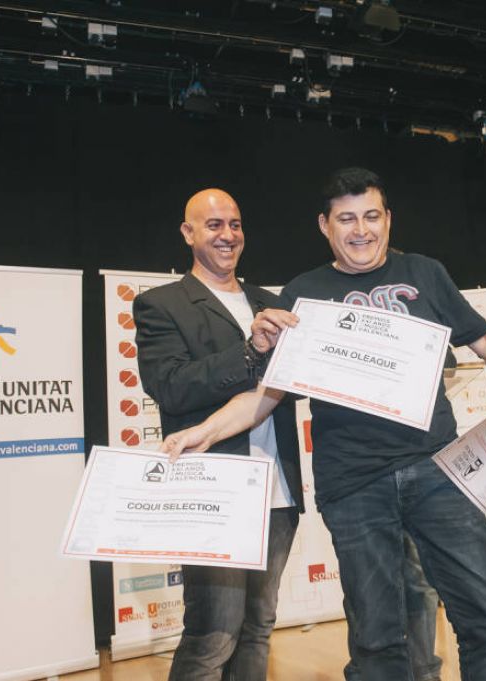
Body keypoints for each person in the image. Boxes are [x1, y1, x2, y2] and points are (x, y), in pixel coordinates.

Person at [161, 168, 486, 681]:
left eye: (371, 216)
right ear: (324, 225)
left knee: (485, 621)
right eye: (347, 219)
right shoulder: (302, 294)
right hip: (353, 486)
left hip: (439, 472)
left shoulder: (425, 273)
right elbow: (268, 393)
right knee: (377, 642)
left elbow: (482, 337)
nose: (361, 230)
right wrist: (205, 432)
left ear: (388, 219)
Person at [133, 188, 303, 681]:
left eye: (235, 224)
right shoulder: (161, 304)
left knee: (258, 628)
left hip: (278, 492)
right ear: (188, 233)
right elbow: (170, 386)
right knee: (214, 634)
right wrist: (250, 351)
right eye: (213, 225)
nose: (228, 235)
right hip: (212, 492)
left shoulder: (272, 302)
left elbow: (293, 385)